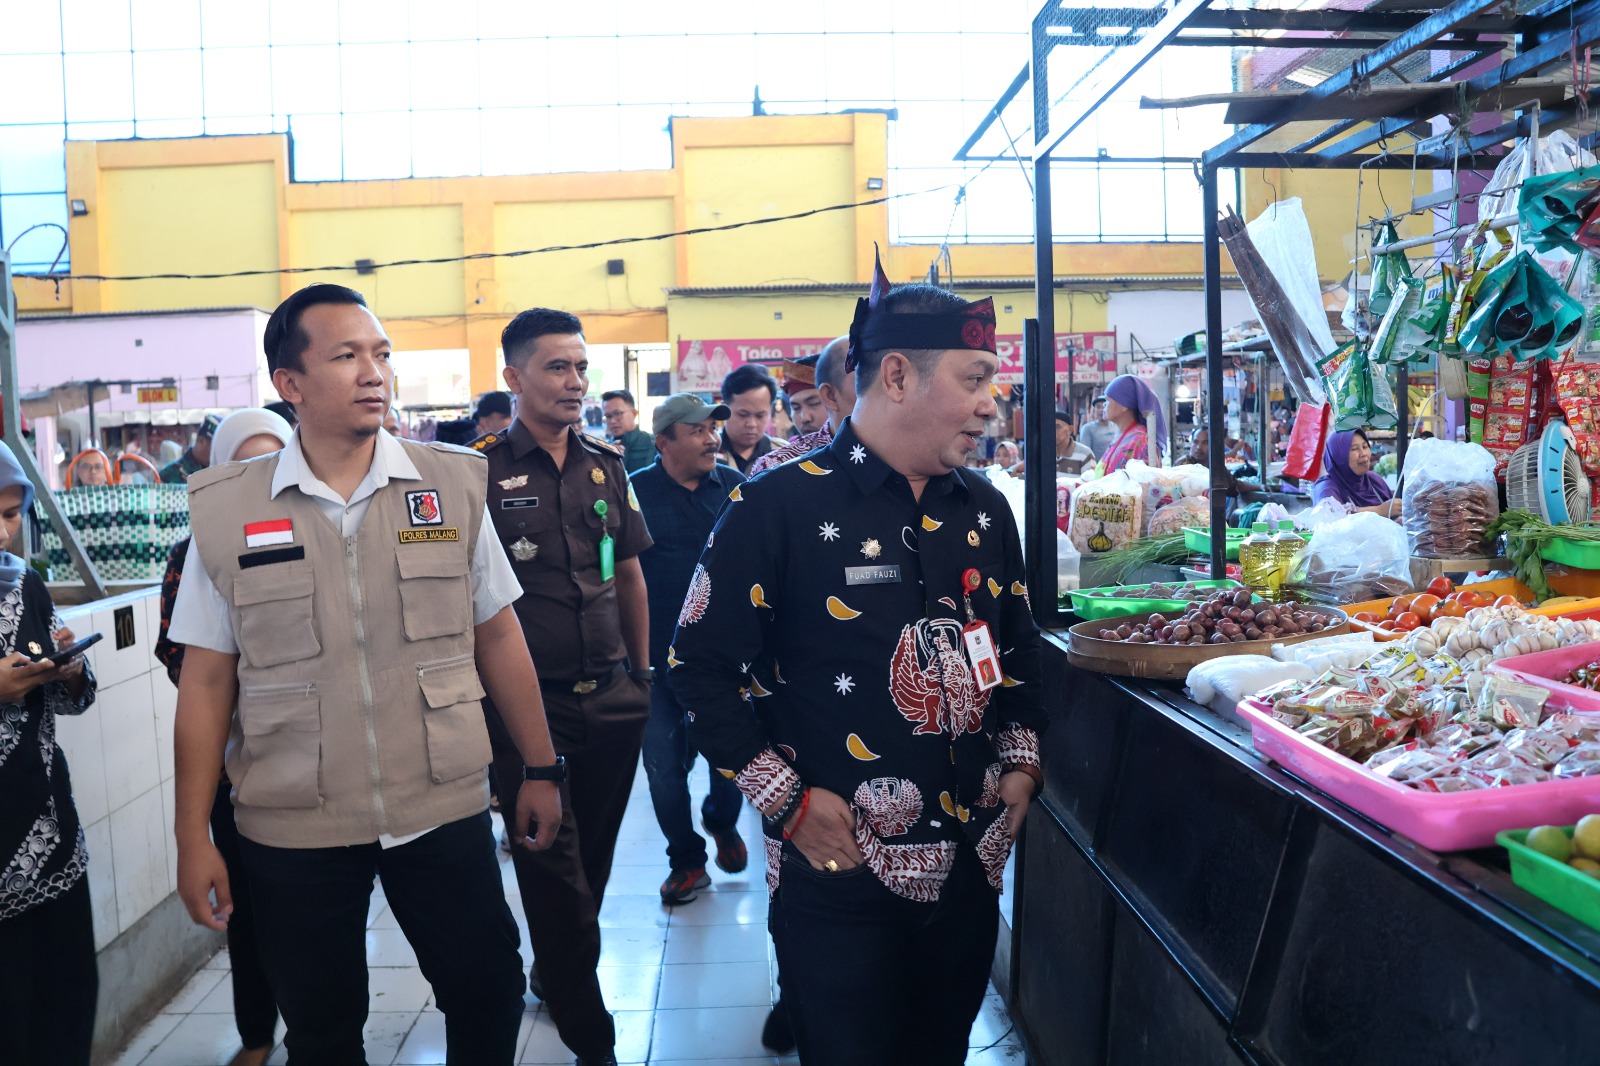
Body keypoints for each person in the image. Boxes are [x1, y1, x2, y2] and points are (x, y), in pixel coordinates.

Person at [170, 283, 565, 1066]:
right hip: (294, 820)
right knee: (320, 1025)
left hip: (439, 803)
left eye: (380, 354)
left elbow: (498, 632)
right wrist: (190, 836)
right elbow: (207, 682)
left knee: (486, 990)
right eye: (346, 355)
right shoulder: (230, 511)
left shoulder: (449, 485)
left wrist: (541, 766)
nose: (372, 372)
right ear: (291, 384)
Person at [672, 259, 1046, 1064]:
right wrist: (788, 803)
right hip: (836, 866)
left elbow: (1014, 648)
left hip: (973, 860)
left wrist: (1018, 764)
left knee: (940, 1047)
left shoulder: (983, 510)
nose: (991, 401)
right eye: (975, 376)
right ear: (900, 375)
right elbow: (696, 666)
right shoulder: (777, 507)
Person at [472, 307, 653, 1066]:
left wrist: (642, 676)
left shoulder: (606, 464)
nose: (575, 382)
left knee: (595, 860)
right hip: (528, 709)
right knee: (552, 873)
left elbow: (631, 570)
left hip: (613, 696)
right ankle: (593, 1038)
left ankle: (558, 969)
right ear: (513, 378)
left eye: (581, 367)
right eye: (556, 367)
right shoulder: (475, 471)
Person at [155, 408, 295, 1066]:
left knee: (313, 912)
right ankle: (257, 1036)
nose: (257, 479)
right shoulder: (197, 552)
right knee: (246, 910)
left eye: (272, 461)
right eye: (242, 464)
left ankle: (316, 1027)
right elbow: (184, 665)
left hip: (309, 758)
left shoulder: (317, 536)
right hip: (236, 761)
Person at [0, 441, 98, 1066]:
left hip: (46, 830)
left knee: (62, 1002)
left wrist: (67, 670)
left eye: (12, 514)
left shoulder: (24, 582)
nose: (3, 531)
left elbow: (75, 700)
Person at [629, 394, 748, 903]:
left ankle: (721, 821)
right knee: (662, 767)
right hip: (655, 661)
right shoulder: (632, 493)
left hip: (725, 660)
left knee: (733, 760)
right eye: (697, 430)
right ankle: (687, 861)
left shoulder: (738, 490)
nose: (711, 438)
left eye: (713, 429)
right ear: (664, 442)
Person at [747, 343, 854, 478]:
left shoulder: (879, 449)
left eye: (814, 403)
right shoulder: (774, 466)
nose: (804, 417)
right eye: (795, 408)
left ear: (831, 397)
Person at [1313, 428, 1400, 518]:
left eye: (1365, 447)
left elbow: (1394, 513)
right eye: (1354, 449)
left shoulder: (1374, 480)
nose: (1363, 453)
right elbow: (1330, 515)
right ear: (1339, 456)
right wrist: (1380, 510)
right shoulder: (1326, 487)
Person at [717, 364, 787, 475]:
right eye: (743, 415)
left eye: (760, 416)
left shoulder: (784, 454)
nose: (752, 424)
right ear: (724, 409)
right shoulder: (706, 452)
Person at [1099, 374, 1166, 475]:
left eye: (1108, 401)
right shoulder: (1121, 437)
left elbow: (1147, 484)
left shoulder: (1143, 441)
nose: (1104, 405)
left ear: (1124, 406)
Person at [601, 388, 655, 473]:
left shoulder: (653, 443)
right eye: (608, 416)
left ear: (634, 413)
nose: (612, 421)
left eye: (617, 414)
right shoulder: (604, 450)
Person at [160, 413, 223, 484]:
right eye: (215, 448)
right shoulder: (169, 475)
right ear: (201, 442)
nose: (219, 454)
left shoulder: (220, 472)